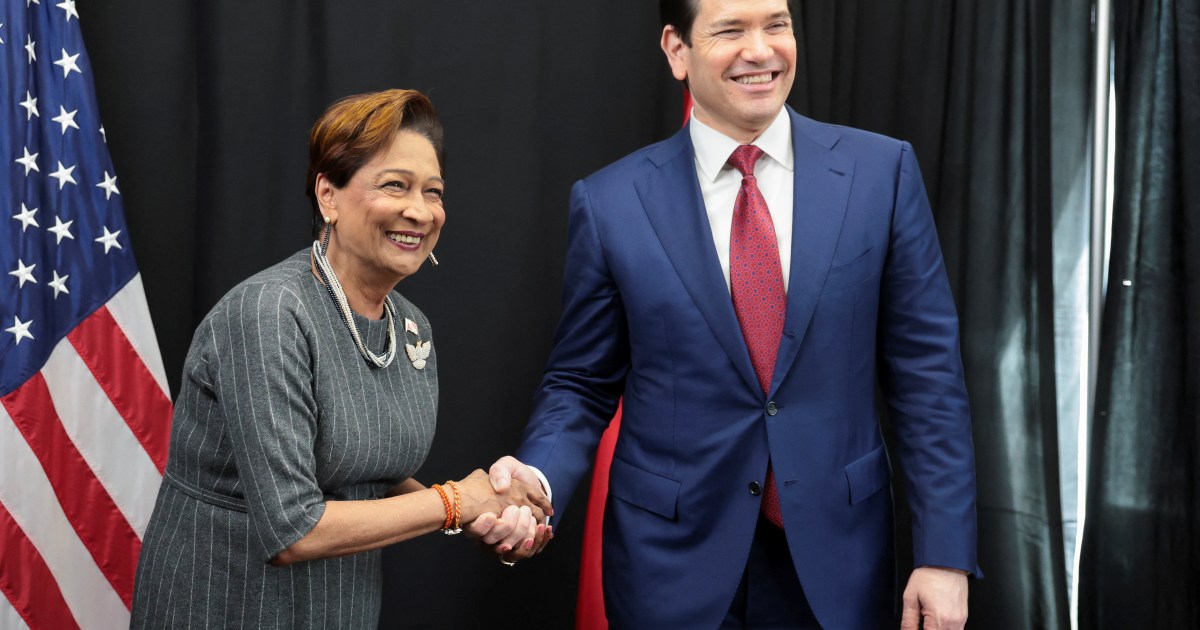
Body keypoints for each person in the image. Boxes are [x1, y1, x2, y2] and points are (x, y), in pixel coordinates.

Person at [473, 1, 979, 627]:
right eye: (731, 30)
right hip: (671, 568)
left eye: (776, 24)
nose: (761, 50)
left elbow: (929, 379)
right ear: (676, 49)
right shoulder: (611, 202)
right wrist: (537, 481)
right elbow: (581, 382)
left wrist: (944, 556)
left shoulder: (881, 173)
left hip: (840, 561)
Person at [129, 89, 551, 628]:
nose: (419, 210)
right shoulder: (269, 314)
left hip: (340, 609)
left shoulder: (410, 325)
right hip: (225, 606)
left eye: (434, 191)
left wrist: (488, 509)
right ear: (328, 195)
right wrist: (456, 502)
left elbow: (369, 468)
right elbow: (293, 529)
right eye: (395, 185)